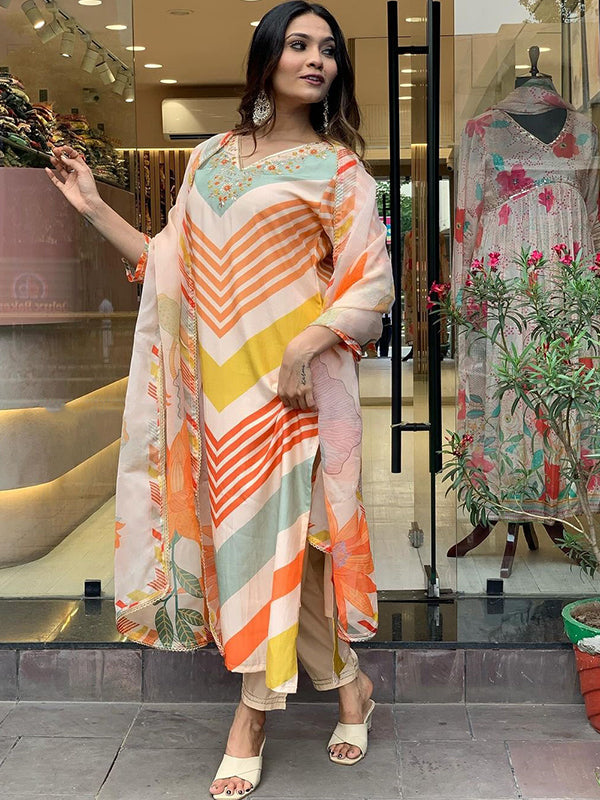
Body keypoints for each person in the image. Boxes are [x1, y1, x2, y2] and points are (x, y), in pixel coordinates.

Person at [46, 2, 393, 797]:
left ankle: (251, 718)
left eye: (329, 50)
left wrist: (304, 346)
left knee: (277, 546)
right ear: (267, 56)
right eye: (300, 44)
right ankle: (352, 690)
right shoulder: (208, 158)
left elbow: (369, 284)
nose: (317, 59)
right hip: (218, 399)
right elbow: (169, 266)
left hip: (296, 396)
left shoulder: (340, 172)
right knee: (267, 550)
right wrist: (93, 206)